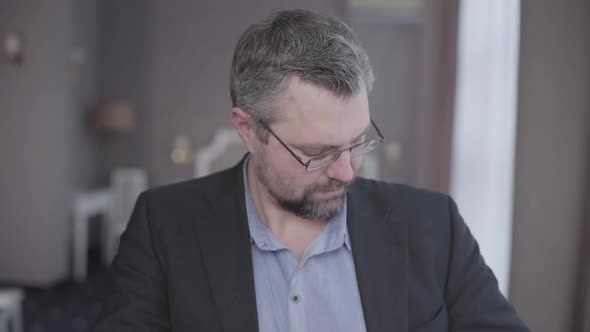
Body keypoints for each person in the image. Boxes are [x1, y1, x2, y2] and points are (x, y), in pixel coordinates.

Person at [92, 9, 529, 332]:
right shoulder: (164, 225)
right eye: (316, 152)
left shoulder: (435, 226)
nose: (346, 172)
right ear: (248, 129)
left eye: (357, 141)